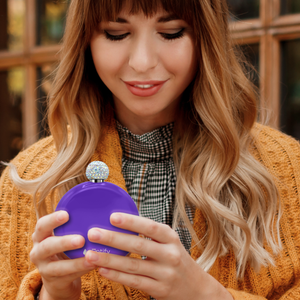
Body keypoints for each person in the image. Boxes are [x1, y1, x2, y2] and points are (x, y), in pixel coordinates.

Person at [1, 0, 300, 299]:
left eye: (171, 32)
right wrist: (53, 295)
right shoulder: (28, 182)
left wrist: (209, 295)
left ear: (206, 38)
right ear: (85, 40)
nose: (142, 62)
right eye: (116, 34)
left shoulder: (289, 169)